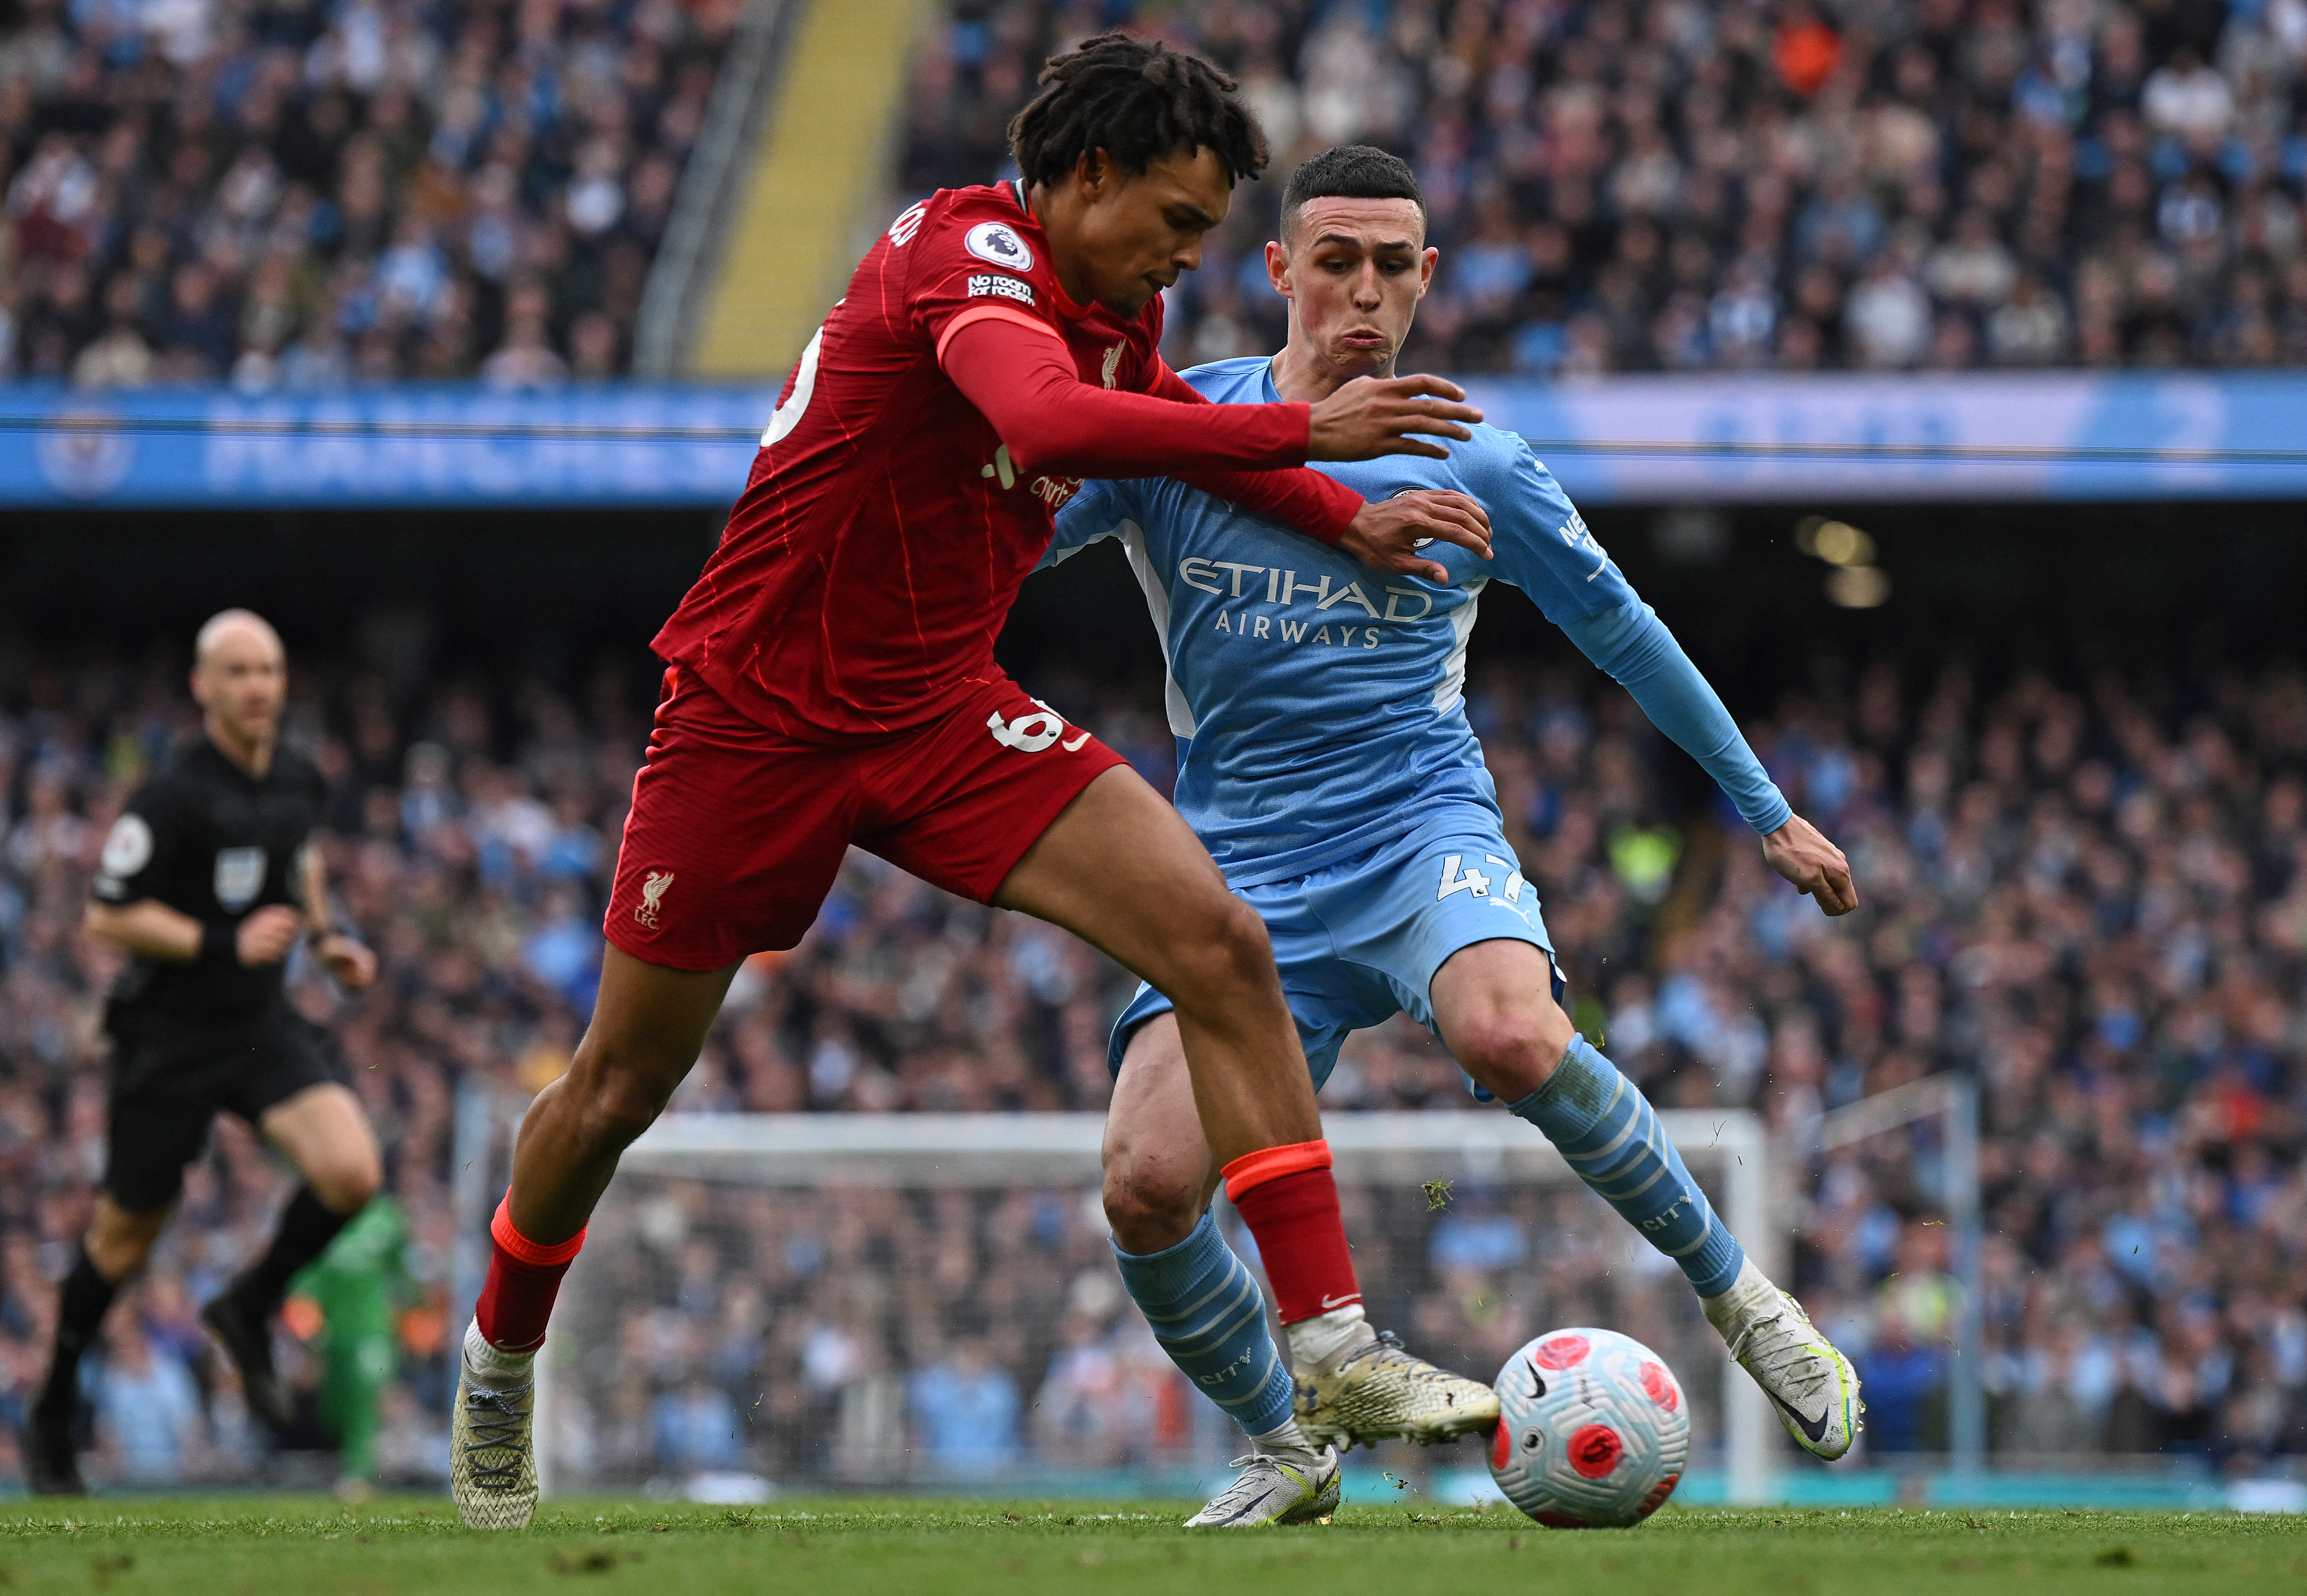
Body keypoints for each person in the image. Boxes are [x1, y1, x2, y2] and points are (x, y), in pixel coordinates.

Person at [449, 37, 1505, 1529]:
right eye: (1174, 222)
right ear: (1085, 178)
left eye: (1202, 235)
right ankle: (499, 1366)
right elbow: (1051, 425)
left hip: (941, 713)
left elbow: (1175, 443)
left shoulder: (1113, 299)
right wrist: (1303, 428)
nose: (1184, 259)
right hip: (753, 723)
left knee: (1218, 941)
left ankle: (1331, 1349)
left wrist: (1347, 517)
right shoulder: (965, 255)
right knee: (619, 1087)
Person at [1044, 146, 1866, 1527]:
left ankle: (1745, 1299)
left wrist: (1763, 808)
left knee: (1511, 1032)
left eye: (1391, 267)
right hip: (1232, 867)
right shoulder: (1182, 432)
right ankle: (1285, 1441)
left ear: (1426, 279)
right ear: (1278, 272)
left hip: (1414, 826)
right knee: (1143, 1188)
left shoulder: (1475, 454)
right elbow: (1004, 537)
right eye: (1334, 261)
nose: (1362, 293)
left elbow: (1619, 626)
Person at [22, 608, 382, 1495]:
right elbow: (108, 911)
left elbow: (299, 860)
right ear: (203, 686)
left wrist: (330, 938)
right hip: (170, 1034)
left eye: (268, 669)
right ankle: (54, 1406)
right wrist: (220, 943)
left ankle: (248, 1306)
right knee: (125, 1235)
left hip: (259, 1024)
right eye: (238, 672)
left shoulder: (299, 778)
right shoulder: (171, 795)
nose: (258, 687)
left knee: (351, 1173)